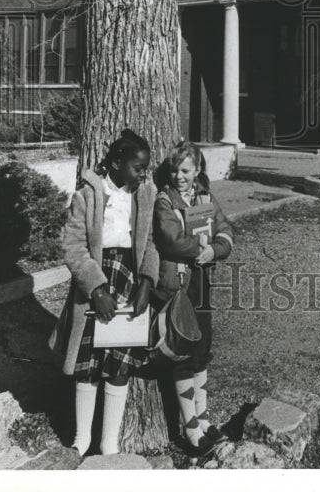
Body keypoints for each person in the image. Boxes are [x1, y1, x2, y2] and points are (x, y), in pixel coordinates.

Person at [49, 128, 159, 456]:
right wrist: (96, 288)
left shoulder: (145, 194)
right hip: (95, 282)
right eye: (137, 168)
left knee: (119, 365)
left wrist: (147, 283)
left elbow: (150, 242)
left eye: (145, 168)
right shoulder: (88, 195)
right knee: (90, 365)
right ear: (115, 162)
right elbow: (73, 245)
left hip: (129, 280)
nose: (143, 174)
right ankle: (82, 439)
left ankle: (108, 444)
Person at [153, 140, 234, 452]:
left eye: (185, 170)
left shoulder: (204, 197)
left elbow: (225, 230)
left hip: (201, 284)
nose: (179, 176)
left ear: (198, 169)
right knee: (183, 352)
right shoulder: (166, 201)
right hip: (177, 288)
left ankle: (203, 417)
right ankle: (191, 431)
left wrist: (215, 248)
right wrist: (202, 246)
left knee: (201, 350)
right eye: (175, 169)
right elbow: (172, 241)